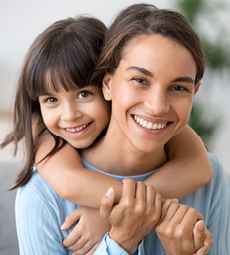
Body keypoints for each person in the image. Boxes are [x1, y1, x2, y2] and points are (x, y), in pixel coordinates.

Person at [0, 10, 213, 255]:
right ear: (109, 84)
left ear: (104, 87)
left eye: (84, 94)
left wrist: (111, 212)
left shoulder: (183, 144)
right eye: (51, 99)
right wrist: (120, 230)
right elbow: (69, 184)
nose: (69, 115)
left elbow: (202, 167)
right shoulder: (44, 180)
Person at [59, 3, 229, 255]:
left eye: (179, 88)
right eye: (140, 80)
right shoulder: (43, 190)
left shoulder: (210, 176)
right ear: (108, 84)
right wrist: (121, 240)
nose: (158, 107)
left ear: (194, 92)